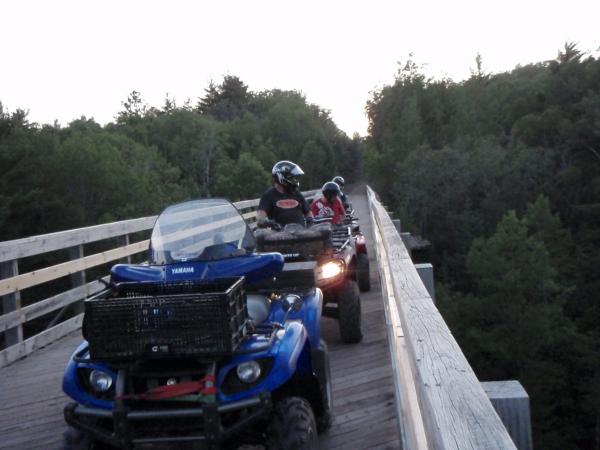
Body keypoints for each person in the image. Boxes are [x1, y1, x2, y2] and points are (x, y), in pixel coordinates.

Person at [257, 161, 313, 228]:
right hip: (279, 236)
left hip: (301, 233)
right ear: (281, 177)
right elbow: (261, 217)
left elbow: (308, 212)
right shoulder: (268, 195)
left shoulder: (297, 193)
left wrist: (310, 220)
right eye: (291, 178)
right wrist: (267, 222)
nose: (294, 180)